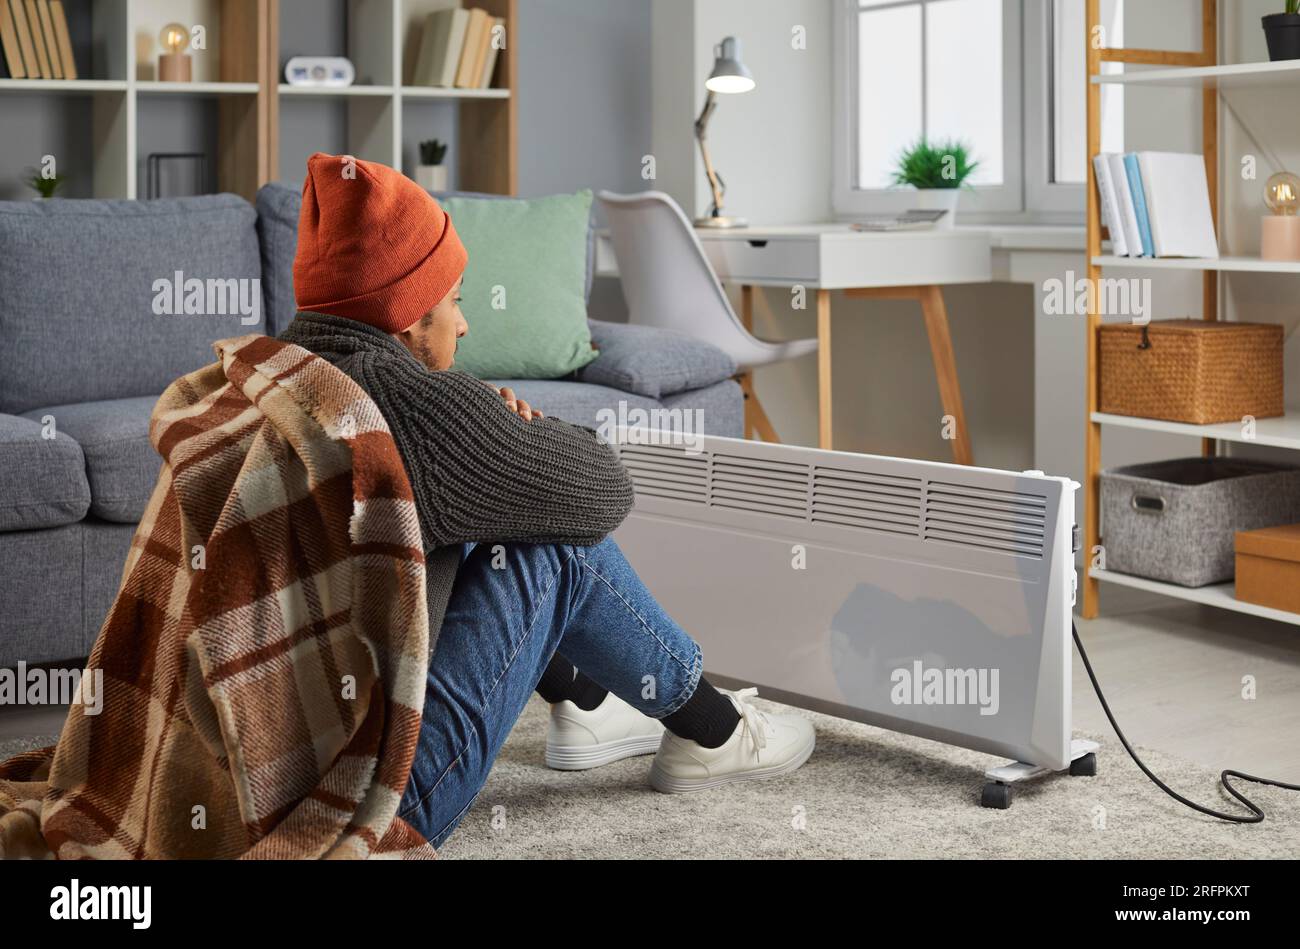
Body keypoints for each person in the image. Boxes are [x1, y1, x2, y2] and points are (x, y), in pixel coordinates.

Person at [278, 153, 815, 847]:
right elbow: (603, 491)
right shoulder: (408, 402)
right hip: (373, 804)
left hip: (263, 779)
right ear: (408, 316)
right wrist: (518, 430)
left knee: (485, 510)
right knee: (553, 545)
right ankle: (713, 732)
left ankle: (584, 700)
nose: (464, 327)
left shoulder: (270, 375)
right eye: (455, 301)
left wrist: (494, 448)